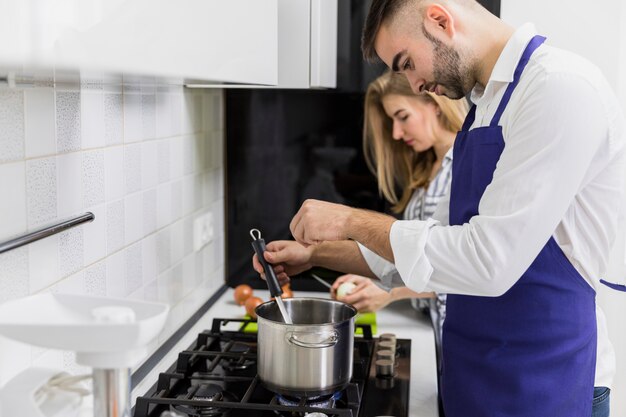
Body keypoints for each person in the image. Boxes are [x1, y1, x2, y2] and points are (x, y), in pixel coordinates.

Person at [253, 1, 625, 416]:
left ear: (440, 19)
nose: (414, 84)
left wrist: (349, 220)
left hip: (546, 384)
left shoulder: (558, 89)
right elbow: (435, 253)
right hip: (477, 377)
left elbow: (487, 260)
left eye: (408, 62)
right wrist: (315, 255)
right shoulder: (484, 107)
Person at [329, 71, 467, 379]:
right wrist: (379, 279)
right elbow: (413, 255)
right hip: (443, 338)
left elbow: (460, 265)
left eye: (402, 116)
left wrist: (391, 293)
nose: (395, 133)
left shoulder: (465, 164)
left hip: (467, 344)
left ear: (434, 103)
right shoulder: (426, 168)